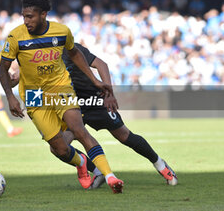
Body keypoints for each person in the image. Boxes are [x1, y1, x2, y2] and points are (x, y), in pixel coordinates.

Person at [0, 0, 124, 193]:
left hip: (60, 87)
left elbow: (75, 54)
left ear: (43, 14)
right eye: (24, 16)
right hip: (34, 95)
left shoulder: (62, 31)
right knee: (60, 149)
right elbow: (3, 68)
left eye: (30, 16)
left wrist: (95, 80)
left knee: (79, 130)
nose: (26, 21)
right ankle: (81, 163)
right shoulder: (15, 37)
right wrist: (10, 97)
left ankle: (110, 177)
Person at [57, 43, 178, 188]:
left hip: (93, 100)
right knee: (59, 146)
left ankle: (160, 164)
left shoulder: (68, 47)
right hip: (71, 104)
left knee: (124, 135)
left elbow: (101, 64)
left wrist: (108, 93)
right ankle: (98, 172)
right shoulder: (39, 57)